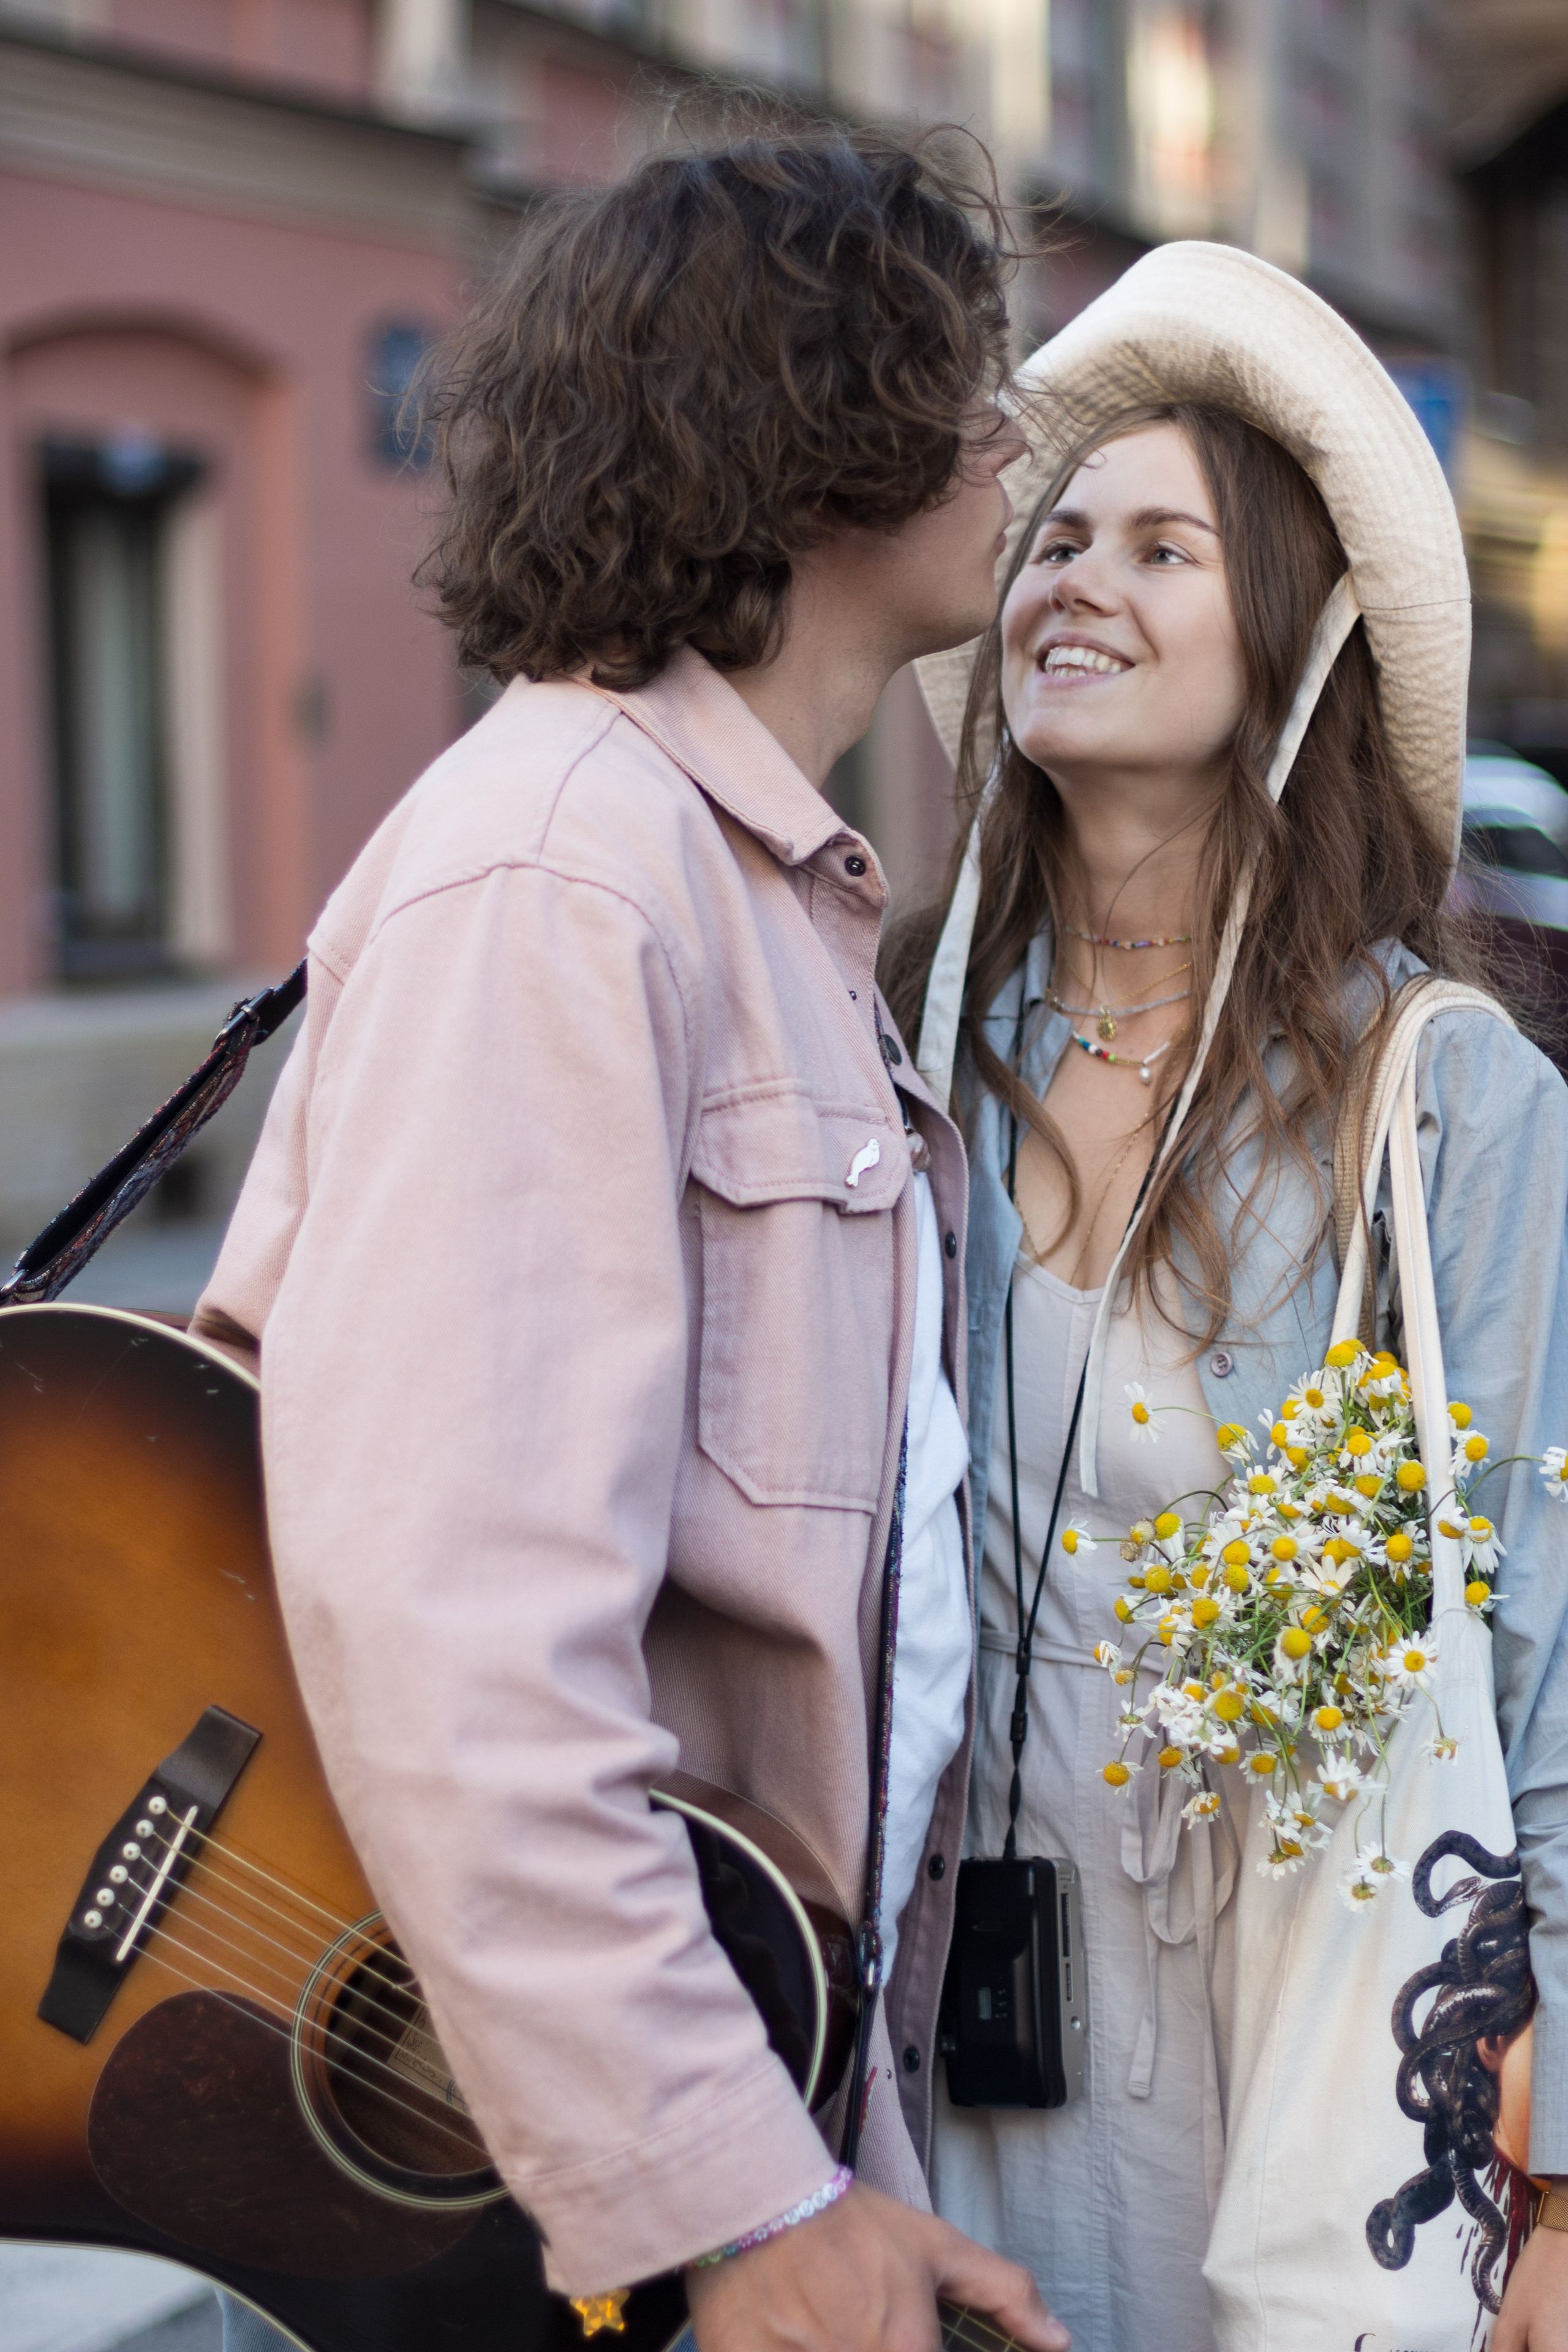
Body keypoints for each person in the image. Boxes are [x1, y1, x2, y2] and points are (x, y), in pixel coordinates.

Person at [192, 124, 1070, 2352]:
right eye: (965, 382)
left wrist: (825, 2163)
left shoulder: (749, 881)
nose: (1013, 436)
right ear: (813, 438)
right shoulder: (570, 870)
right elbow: (462, 1618)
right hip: (592, 2178)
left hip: (747, 2084)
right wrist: (739, 2198)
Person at [883, 241, 1568, 2351]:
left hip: (1318, 2038)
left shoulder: (1434, 1093)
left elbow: (1543, 1658)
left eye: (1162, 547)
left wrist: (1550, 2183)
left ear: (1292, 641)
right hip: (947, 2026)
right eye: (1056, 539)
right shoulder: (903, 1038)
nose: (1076, 578)